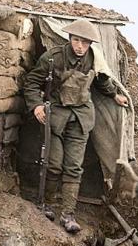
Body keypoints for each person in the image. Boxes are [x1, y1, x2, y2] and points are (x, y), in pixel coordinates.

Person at [23, 19, 128, 233]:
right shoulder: (53, 58)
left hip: (80, 119)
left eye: (85, 42)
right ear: (70, 39)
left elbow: (100, 81)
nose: (80, 46)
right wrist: (36, 106)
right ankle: (47, 204)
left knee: (73, 166)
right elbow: (32, 82)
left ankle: (68, 214)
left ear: (90, 44)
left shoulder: (94, 59)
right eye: (76, 40)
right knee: (53, 163)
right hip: (56, 117)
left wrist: (114, 95)